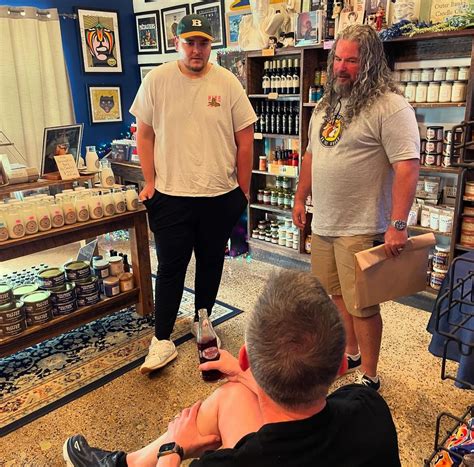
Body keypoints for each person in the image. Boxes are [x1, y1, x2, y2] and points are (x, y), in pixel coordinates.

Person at [63, 271, 401, 466]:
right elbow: (296, 408)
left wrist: (173, 449)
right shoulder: (369, 407)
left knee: (227, 399)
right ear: (342, 363)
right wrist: (241, 375)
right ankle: (131, 463)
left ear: (245, 356)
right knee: (233, 394)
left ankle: (134, 463)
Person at [292, 25, 420, 392]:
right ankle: (349, 354)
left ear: (371, 63)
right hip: (325, 223)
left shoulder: (390, 106)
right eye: (338, 59)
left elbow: (408, 166)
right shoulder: (326, 105)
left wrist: (398, 223)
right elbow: (311, 156)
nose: (341, 67)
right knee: (335, 296)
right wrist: (300, 197)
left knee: (362, 305)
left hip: (361, 226)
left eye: (351, 60)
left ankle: (370, 375)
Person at [129, 14, 256, 375]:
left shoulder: (227, 82)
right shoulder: (157, 81)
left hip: (219, 194)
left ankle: (204, 323)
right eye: (190, 42)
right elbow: (145, 134)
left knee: (211, 262)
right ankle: (161, 339)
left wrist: (243, 190)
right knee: (171, 267)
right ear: (177, 44)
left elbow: (245, 139)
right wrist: (149, 181)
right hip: (171, 194)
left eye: (203, 43)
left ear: (211, 46)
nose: (196, 50)